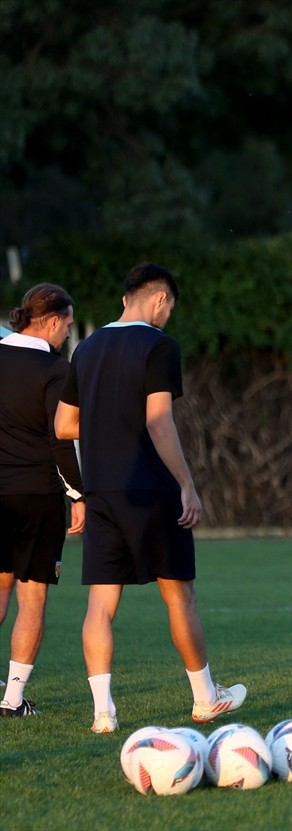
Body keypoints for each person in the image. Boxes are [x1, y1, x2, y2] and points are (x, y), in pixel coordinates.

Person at [54, 263, 246, 734]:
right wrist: (187, 483)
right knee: (179, 593)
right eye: (170, 309)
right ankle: (205, 699)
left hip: (101, 488)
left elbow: (62, 426)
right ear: (159, 300)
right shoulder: (160, 346)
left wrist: (108, 425)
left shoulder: (88, 347)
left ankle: (103, 713)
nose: (168, 318)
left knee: (100, 604)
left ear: (125, 298)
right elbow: (159, 420)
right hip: (149, 487)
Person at [0, 284, 86, 717]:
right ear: (52, 320)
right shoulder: (55, 368)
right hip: (35, 495)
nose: (68, 332)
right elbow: (60, 438)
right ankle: (12, 699)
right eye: (68, 324)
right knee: (31, 598)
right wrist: (78, 493)